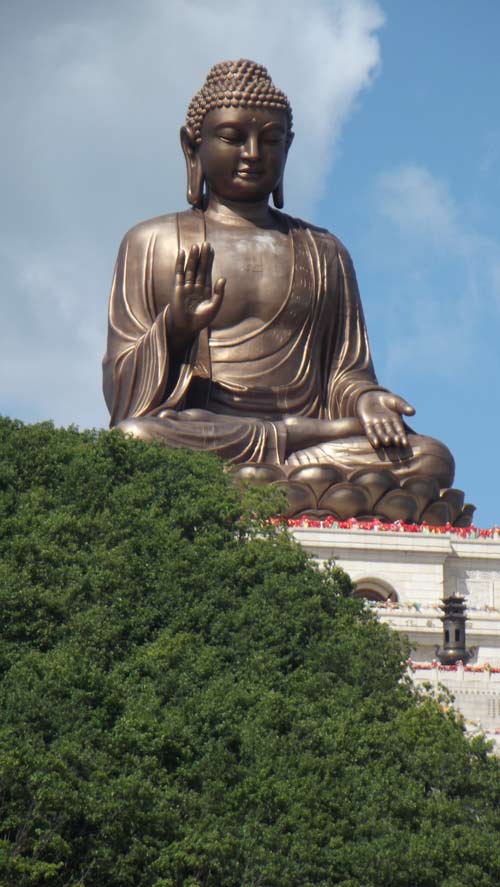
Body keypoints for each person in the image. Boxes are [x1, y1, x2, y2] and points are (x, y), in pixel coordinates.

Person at [103, 59, 454, 489]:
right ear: (192, 147)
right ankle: (295, 465)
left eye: (270, 140)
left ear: (288, 148)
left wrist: (368, 400)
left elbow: (346, 374)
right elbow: (123, 395)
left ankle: (285, 468)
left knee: (430, 458)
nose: (253, 154)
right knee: (135, 439)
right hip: (210, 434)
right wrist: (174, 329)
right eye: (233, 138)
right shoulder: (153, 243)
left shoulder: (325, 252)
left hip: (312, 444)